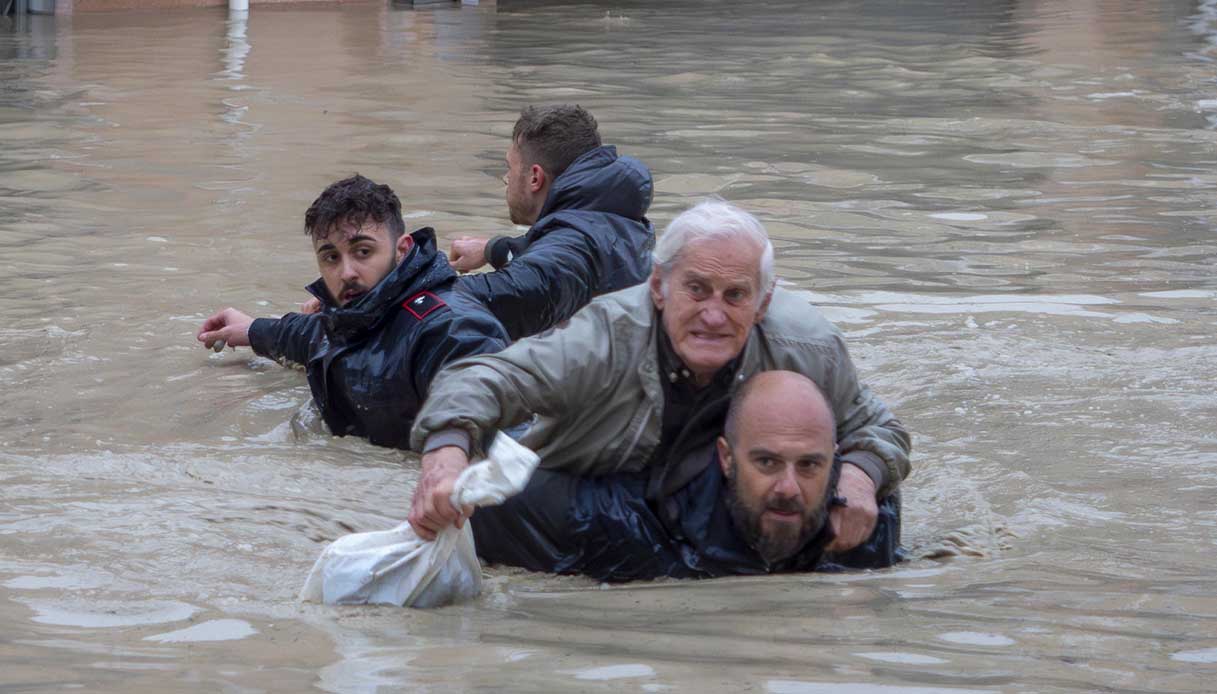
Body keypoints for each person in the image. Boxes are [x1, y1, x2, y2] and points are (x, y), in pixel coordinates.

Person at [408, 199, 911, 555]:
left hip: (718, 495)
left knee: (878, 510)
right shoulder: (603, 338)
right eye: (697, 289)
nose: (714, 315)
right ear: (658, 287)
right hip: (602, 490)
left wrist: (861, 477)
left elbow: (879, 430)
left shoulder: (808, 347)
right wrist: (445, 457)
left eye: (735, 295)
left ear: (763, 303)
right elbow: (482, 378)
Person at [470, 371, 901, 581]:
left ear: (835, 461)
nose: (789, 488)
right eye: (767, 463)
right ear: (727, 458)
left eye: (809, 465)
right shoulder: (623, 522)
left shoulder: (862, 525)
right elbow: (487, 502)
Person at [195, 175, 509, 450]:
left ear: (402, 250)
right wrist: (252, 331)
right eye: (331, 257)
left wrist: (448, 452)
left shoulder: (449, 327)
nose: (346, 272)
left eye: (363, 252)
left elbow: (483, 403)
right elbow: (310, 335)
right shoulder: (354, 315)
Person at [448, 104, 655, 340]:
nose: (506, 180)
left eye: (509, 169)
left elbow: (517, 290)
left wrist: (413, 285)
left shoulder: (573, 246)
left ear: (535, 177)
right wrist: (490, 249)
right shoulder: (613, 217)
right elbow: (554, 256)